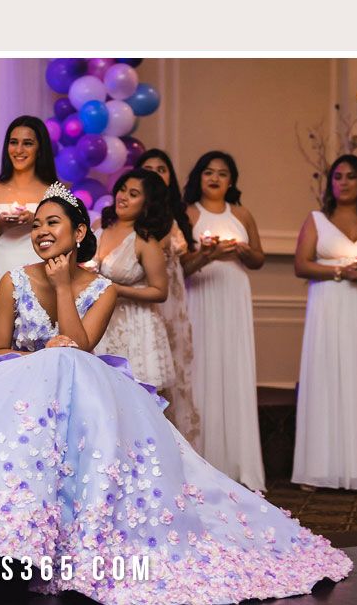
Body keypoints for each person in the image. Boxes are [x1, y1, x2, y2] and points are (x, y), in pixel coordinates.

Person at [0, 185, 351, 603]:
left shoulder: (102, 287)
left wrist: (63, 287)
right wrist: (43, 351)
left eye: (52, 223)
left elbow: (81, 347)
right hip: (16, 389)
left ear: (79, 232)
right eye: (36, 224)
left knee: (66, 358)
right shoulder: (11, 280)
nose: (41, 232)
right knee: (35, 368)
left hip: (79, 388)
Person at [292, 154, 357, 489]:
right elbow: (301, 265)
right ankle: (319, 470)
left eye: (350, 176)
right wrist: (339, 271)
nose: (343, 182)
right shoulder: (317, 219)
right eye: (337, 176)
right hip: (329, 305)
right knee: (327, 377)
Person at [182, 150, 265, 491]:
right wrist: (206, 255)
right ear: (199, 177)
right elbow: (181, 267)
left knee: (234, 368)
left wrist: (245, 252)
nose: (215, 179)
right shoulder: (188, 213)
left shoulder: (241, 214)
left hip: (233, 295)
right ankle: (202, 461)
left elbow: (258, 258)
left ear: (232, 181)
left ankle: (240, 464)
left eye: (222, 174)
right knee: (202, 369)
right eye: (208, 173)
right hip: (201, 293)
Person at [89, 168, 175, 392]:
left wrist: (117, 289)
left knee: (132, 398)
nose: (123, 196)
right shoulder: (99, 226)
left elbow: (160, 291)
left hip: (133, 327)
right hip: (96, 319)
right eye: (123, 189)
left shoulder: (146, 241)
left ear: (147, 204)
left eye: (133, 194)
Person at [137, 149, 201, 448]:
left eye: (161, 169)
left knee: (175, 370)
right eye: (147, 168)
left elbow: (183, 262)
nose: (154, 174)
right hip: (140, 303)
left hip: (172, 300)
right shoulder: (128, 218)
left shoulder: (175, 217)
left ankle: (180, 447)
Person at [0, 115, 57, 298]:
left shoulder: (54, 191)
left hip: (42, 280)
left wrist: (36, 221)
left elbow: (68, 244)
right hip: (0, 277)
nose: (18, 150)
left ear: (40, 148)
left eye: (27, 143)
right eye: (13, 142)